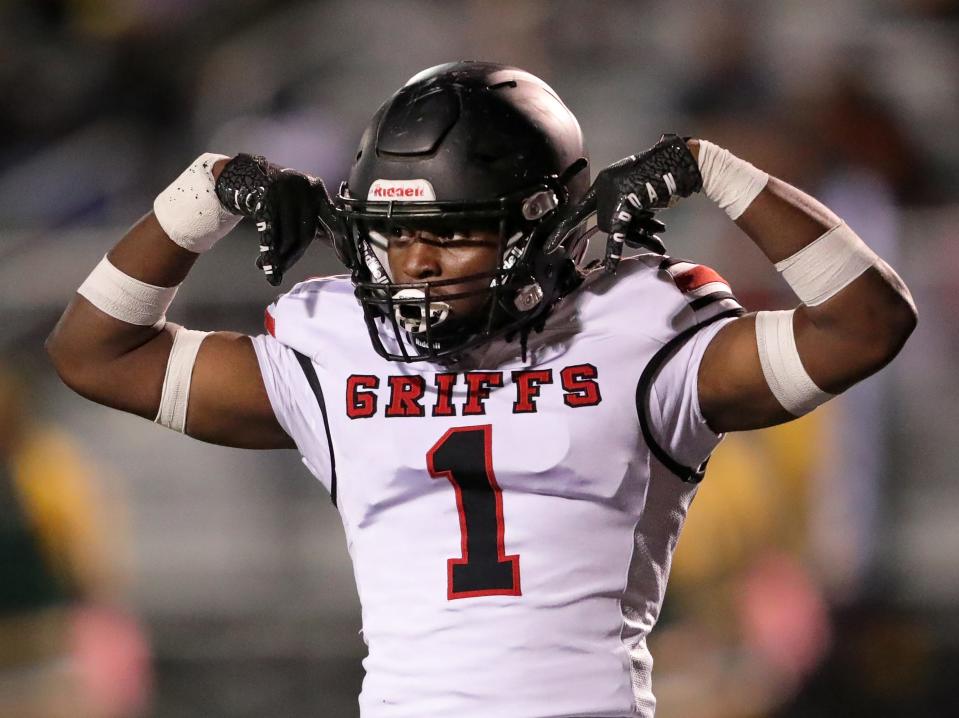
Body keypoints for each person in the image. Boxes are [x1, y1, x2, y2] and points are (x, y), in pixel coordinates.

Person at [46, 62, 916, 717]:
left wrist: (715, 174)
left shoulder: (638, 329)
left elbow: (865, 324)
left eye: (452, 232)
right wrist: (204, 193)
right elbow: (96, 353)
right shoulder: (337, 340)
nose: (416, 264)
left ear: (545, 228)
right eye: (397, 235)